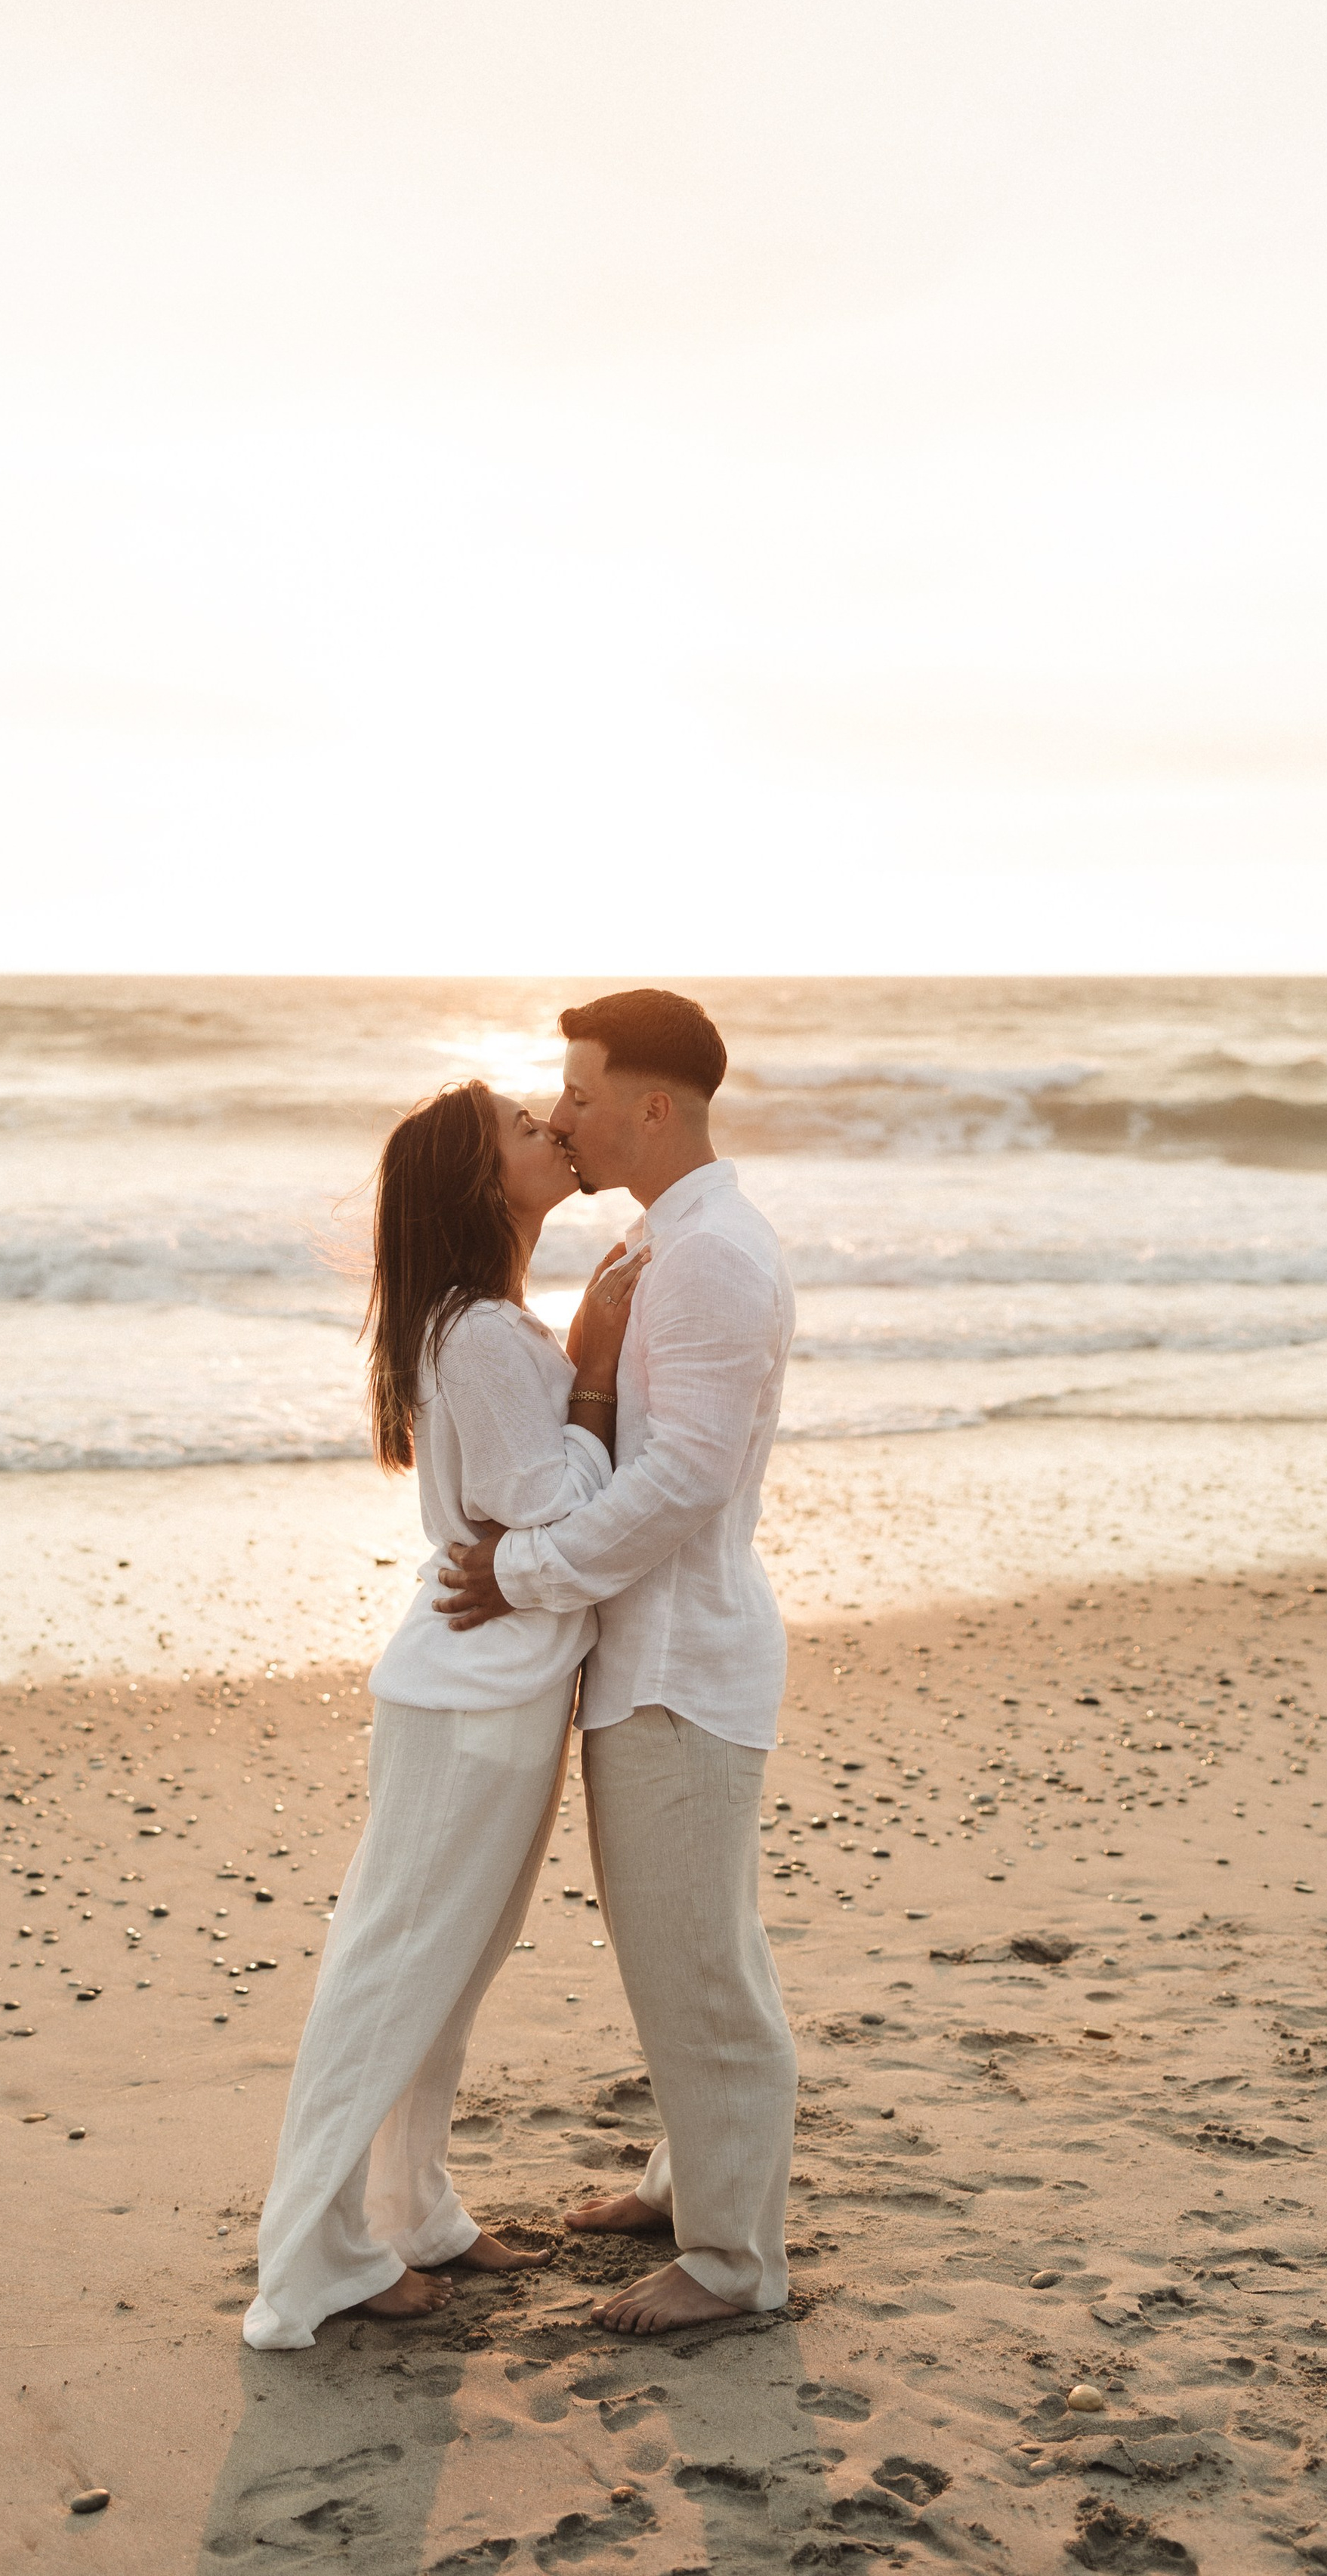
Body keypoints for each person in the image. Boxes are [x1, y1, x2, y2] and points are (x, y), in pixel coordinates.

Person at [242, 1080, 644, 2349]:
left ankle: (412, 2213)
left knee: (445, 1975)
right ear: (484, 1184)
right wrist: (590, 1380)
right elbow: (544, 1507)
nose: (552, 1133)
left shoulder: (483, 1324)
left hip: (491, 1687)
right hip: (470, 1695)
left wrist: (570, 1367)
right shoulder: (485, 1334)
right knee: (394, 1974)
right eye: (526, 1130)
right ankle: (309, 2263)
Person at [437, 988, 798, 2336]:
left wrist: (523, 1573)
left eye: (579, 1093)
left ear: (653, 1106)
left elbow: (687, 1475)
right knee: (679, 1949)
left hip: (683, 1665)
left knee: (701, 1970)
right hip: (651, 1655)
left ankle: (732, 2265)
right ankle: (682, 2178)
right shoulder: (671, 1238)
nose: (564, 1115)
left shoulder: (708, 1258)